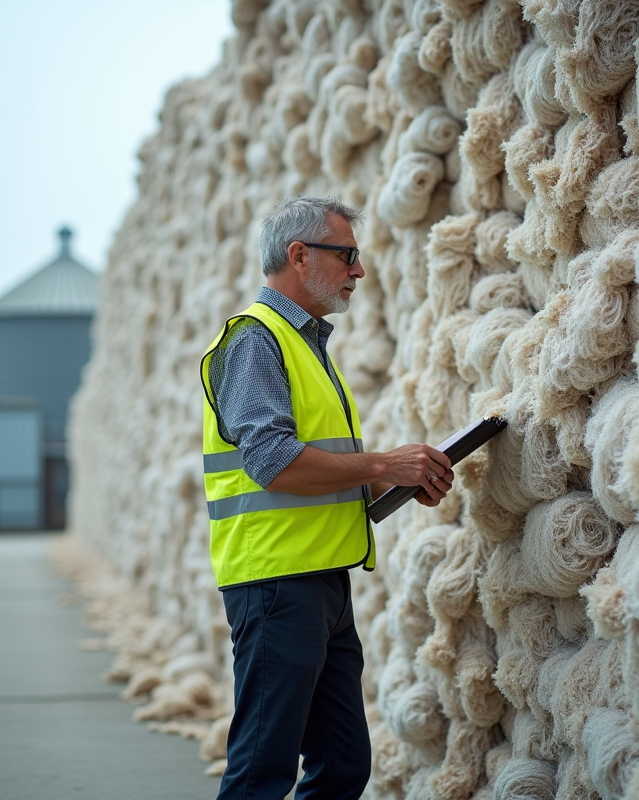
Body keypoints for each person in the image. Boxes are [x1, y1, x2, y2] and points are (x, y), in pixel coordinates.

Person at [200, 196, 455, 799]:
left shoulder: (304, 342)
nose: (359, 271)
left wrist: (392, 481)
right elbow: (272, 462)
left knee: (342, 768)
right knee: (262, 772)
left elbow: (321, 463)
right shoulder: (257, 341)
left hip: (321, 583)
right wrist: (384, 462)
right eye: (348, 256)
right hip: (276, 584)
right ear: (299, 255)